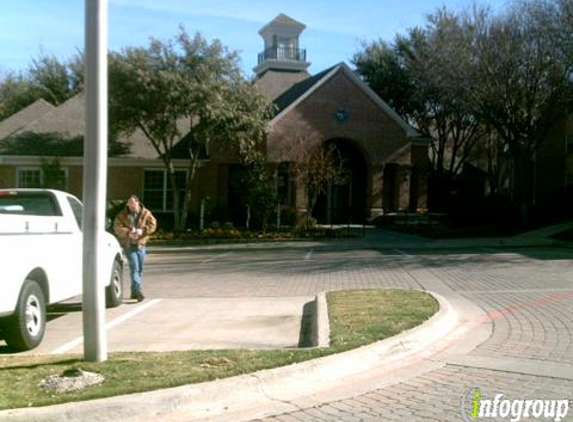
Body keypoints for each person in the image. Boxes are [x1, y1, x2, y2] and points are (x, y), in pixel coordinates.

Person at [113, 195, 157, 302]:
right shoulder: (122, 215)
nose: (131, 205)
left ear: (138, 203)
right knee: (135, 268)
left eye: (133, 203)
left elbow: (153, 225)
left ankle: (134, 292)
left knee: (139, 269)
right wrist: (128, 233)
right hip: (129, 245)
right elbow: (117, 228)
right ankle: (138, 292)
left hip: (141, 245)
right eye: (129, 203)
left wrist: (143, 231)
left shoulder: (146, 213)